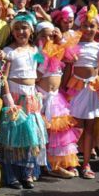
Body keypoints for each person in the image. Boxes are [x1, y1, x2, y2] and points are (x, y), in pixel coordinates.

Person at [0, 12, 47, 189]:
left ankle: (27, 173)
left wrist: (38, 92)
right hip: (15, 97)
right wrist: (8, 99)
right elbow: (3, 78)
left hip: (31, 96)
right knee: (13, 136)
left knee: (30, 136)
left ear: (31, 30)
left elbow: (40, 69)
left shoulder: (35, 51)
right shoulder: (9, 52)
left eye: (24, 28)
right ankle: (11, 176)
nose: (21, 32)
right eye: (17, 29)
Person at [65, 6, 99, 179]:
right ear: (79, 27)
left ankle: (85, 163)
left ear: (98, 28)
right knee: (75, 127)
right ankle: (72, 162)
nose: (88, 29)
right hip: (76, 90)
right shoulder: (73, 46)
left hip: (92, 90)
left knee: (90, 127)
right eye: (85, 25)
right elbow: (68, 70)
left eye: (92, 26)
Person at [36, 22, 79, 179]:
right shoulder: (38, 52)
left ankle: (55, 164)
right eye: (43, 35)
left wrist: (60, 40)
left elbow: (73, 58)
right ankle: (44, 165)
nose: (48, 38)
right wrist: (44, 59)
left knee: (57, 134)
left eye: (51, 35)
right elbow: (36, 76)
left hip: (56, 98)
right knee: (44, 133)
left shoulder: (57, 50)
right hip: (42, 96)